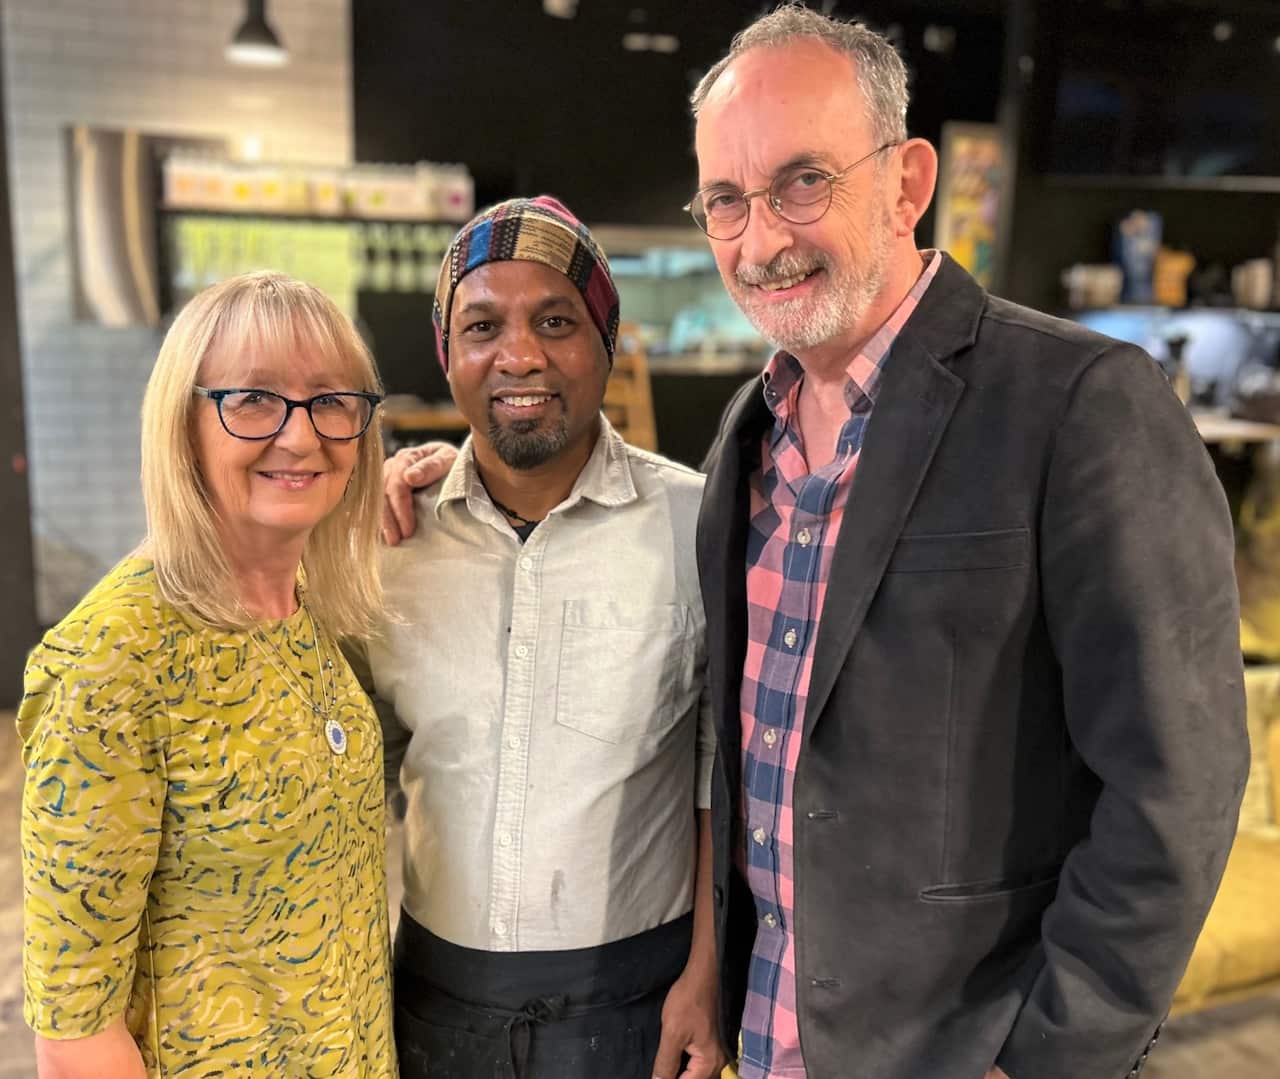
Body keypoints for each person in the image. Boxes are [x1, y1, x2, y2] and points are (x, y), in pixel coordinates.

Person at [685, 6, 1249, 1079]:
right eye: (725, 200)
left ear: (905, 182)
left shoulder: (1081, 404)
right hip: (766, 1042)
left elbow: (1177, 781)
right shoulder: (743, 430)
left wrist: (1049, 1055)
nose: (759, 241)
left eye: (802, 182)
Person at [359, 195, 726, 1079]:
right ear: (448, 355)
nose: (519, 355)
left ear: (606, 340)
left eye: (556, 320)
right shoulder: (388, 544)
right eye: (481, 325)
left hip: (641, 1007)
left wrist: (708, 980)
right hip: (432, 1002)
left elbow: (726, 766)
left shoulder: (695, 523)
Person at [18, 271, 395, 1077]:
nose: (301, 437)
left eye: (333, 400)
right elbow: (74, 1033)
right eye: (253, 399)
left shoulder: (307, 615)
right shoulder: (114, 663)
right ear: (182, 424)